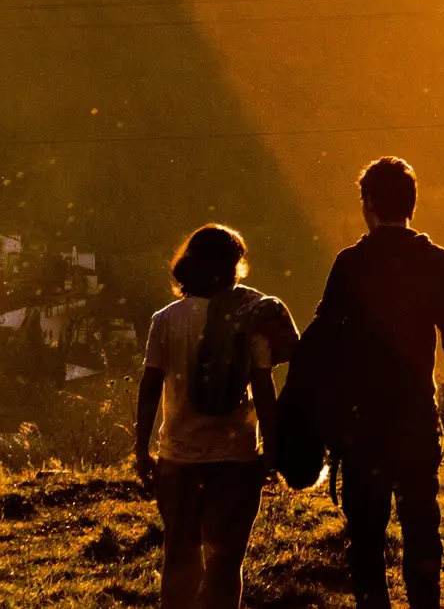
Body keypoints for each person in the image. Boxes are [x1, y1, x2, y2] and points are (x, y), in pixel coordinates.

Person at [314, 157, 444, 609]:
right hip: (415, 416)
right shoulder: (437, 261)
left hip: (362, 423)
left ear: (368, 203)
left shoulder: (350, 263)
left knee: (367, 537)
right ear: (413, 204)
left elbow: (324, 343)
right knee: (420, 527)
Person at [135, 224, 295, 609]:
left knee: (179, 560)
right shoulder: (246, 319)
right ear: (233, 267)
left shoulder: (166, 319)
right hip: (237, 457)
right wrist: (271, 446)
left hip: (179, 456)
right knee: (225, 565)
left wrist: (141, 447)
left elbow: (150, 386)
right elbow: (263, 386)